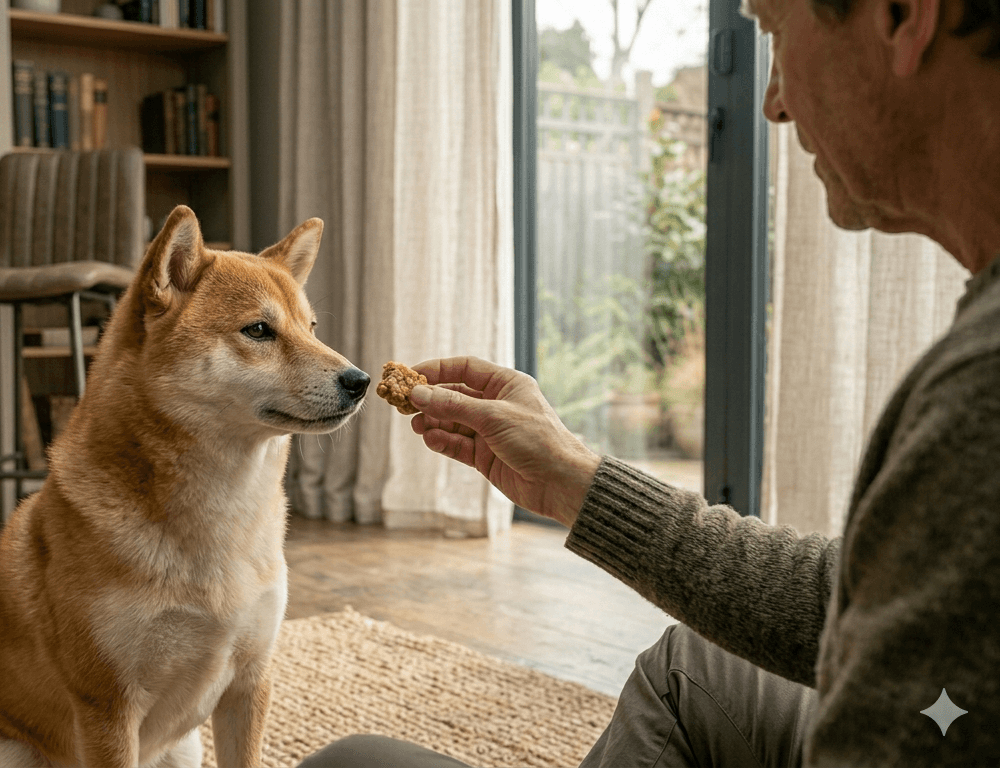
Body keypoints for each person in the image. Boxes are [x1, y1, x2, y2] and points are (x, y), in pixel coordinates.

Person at [298, 0, 1000, 764]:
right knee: (692, 667)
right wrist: (575, 481)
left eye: (774, 30)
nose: (774, 101)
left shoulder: (977, 399)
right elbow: (858, 599)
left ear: (903, 16)